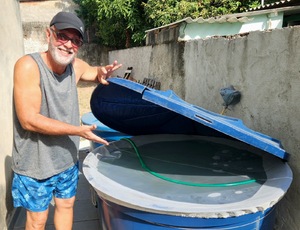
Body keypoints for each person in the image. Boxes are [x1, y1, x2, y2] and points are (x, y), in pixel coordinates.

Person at [11, 11, 121, 230]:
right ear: (49, 34)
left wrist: (101, 72)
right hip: (36, 164)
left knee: (67, 206)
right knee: (37, 221)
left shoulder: (75, 66)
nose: (68, 44)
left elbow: (91, 71)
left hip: (66, 160)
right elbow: (29, 120)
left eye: (75, 40)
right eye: (62, 36)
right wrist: (77, 130)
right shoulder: (28, 66)